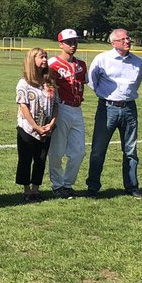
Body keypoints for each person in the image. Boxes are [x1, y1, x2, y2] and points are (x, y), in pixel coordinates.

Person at [85, 28, 142, 198]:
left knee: (130, 150)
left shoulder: (137, 62)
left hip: (129, 108)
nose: (127, 41)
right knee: (98, 150)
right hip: (107, 108)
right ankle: (93, 187)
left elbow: (136, 83)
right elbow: (92, 81)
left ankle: (132, 186)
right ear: (113, 43)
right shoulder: (102, 59)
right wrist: (105, 95)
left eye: (128, 38)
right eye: (123, 39)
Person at [47, 29, 88, 199]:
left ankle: (68, 184)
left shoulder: (81, 64)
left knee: (79, 151)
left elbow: (84, 82)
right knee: (57, 150)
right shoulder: (52, 63)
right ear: (61, 44)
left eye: (75, 42)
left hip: (77, 108)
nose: (73, 45)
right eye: (69, 42)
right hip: (61, 108)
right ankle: (57, 185)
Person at [15, 47, 59, 202]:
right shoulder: (24, 83)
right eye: (41, 57)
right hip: (27, 128)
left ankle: (36, 189)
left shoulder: (49, 82)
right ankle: (26, 190)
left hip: (46, 129)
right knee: (25, 159)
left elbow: (56, 104)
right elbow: (23, 106)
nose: (45, 60)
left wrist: (51, 123)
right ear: (32, 60)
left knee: (41, 159)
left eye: (46, 56)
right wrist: (35, 126)